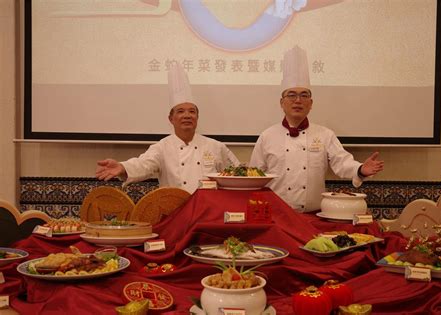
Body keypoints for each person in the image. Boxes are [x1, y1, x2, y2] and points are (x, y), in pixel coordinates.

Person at [250, 46, 383, 212]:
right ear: (282, 103)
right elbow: (254, 177)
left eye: (304, 95)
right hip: (276, 216)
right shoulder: (267, 136)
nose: (298, 100)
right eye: (291, 95)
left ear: (311, 104)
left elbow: (342, 162)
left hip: (315, 215)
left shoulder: (325, 135)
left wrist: (360, 169)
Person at [96, 64, 240, 193]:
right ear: (171, 119)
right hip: (174, 211)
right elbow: (143, 164)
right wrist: (122, 167)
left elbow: (237, 173)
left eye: (192, 111)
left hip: (208, 211)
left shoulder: (216, 146)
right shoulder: (161, 148)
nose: (187, 115)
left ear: (197, 117)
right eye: (180, 111)